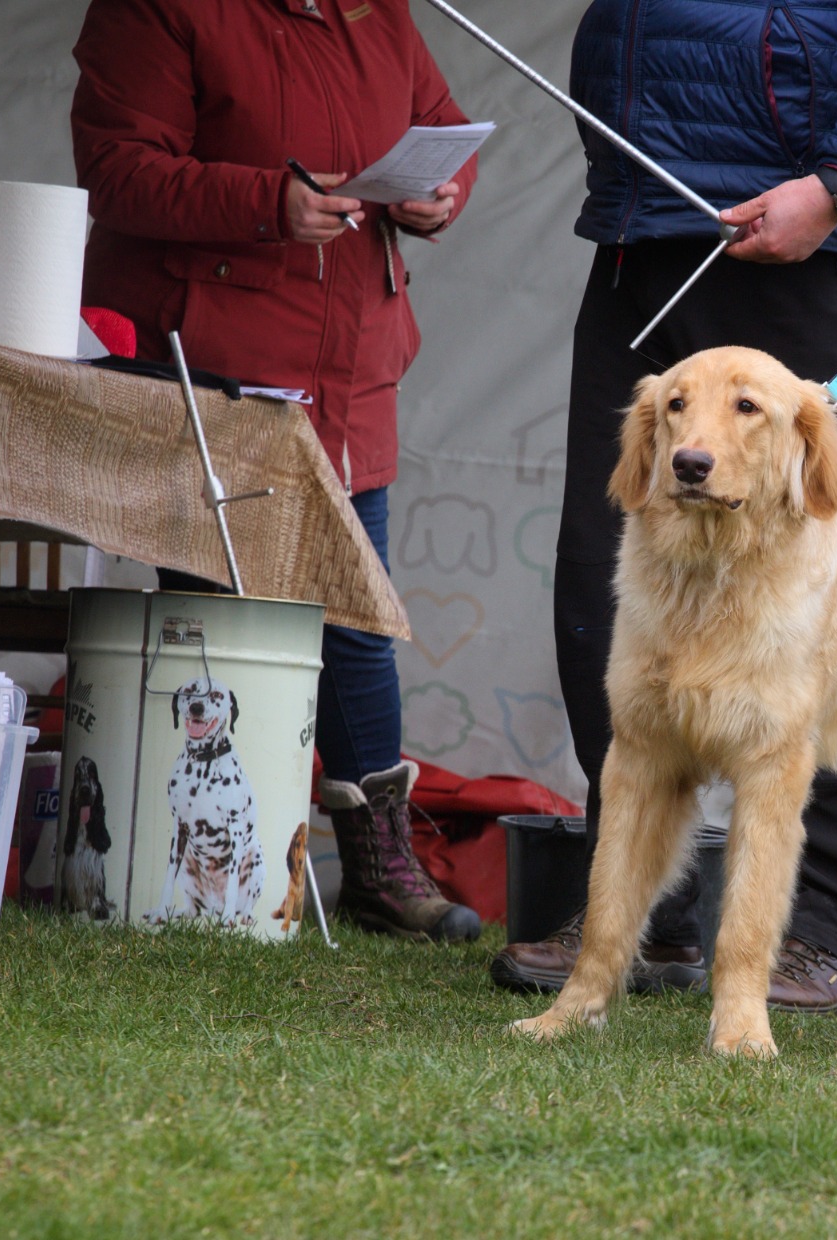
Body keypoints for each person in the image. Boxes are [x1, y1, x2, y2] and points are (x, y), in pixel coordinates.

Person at [488, 0, 837, 1012]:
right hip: (647, 214)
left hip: (810, 227)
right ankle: (638, 923)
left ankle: (825, 931)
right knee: (602, 570)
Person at [71, 0, 483, 942]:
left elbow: (444, 129)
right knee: (226, 622)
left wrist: (442, 192)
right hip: (218, 365)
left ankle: (377, 868)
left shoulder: (377, 11)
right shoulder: (163, 7)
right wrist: (268, 202)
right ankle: (206, 879)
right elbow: (116, 171)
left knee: (358, 618)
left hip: (353, 368)